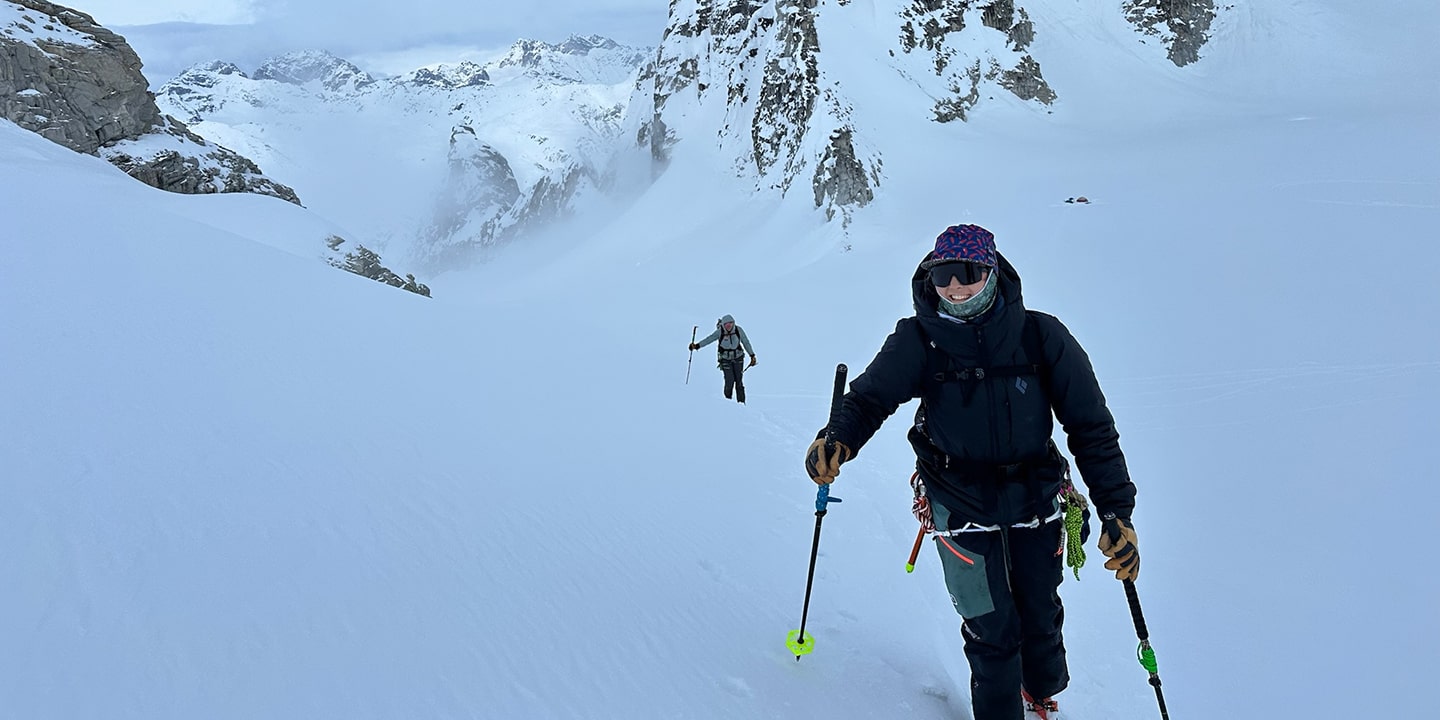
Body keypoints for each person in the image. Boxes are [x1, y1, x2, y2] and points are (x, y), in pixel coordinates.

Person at [802, 224, 1139, 720]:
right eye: (942, 276)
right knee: (990, 625)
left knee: (1040, 611)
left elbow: (1091, 427)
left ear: (993, 272)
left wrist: (1116, 510)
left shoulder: (1041, 336)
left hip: (1036, 497)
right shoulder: (918, 340)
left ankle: (1040, 692)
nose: (954, 288)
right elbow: (870, 397)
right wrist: (837, 437)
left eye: (968, 273)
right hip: (958, 500)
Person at [689, 314, 757, 403]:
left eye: (730, 323)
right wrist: (697, 346)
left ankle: (741, 404)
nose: (728, 326)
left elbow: (746, 342)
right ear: (723, 325)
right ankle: (727, 404)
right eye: (726, 324)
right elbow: (709, 339)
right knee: (729, 381)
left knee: (739, 381)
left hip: (738, 358)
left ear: (733, 323)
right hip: (725, 359)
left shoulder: (738, 330)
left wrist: (752, 355)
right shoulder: (720, 332)